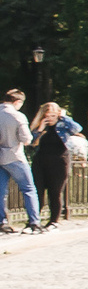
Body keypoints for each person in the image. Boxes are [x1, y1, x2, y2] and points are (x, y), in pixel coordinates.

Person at [30, 104, 70, 230]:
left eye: (53, 115)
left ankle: (54, 221)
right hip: (40, 162)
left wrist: (64, 118)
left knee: (55, 192)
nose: (50, 118)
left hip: (59, 162)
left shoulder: (63, 126)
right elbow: (30, 141)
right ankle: (34, 221)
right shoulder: (40, 127)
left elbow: (77, 128)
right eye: (47, 115)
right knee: (38, 192)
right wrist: (40, 128)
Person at [0, 90, 33, 235]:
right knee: (28, 189)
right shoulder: (17, 116)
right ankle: (34, 222)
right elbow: (26, 139)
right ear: (18, 102)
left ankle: (2, 222)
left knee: (1, 192)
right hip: (14, 156)